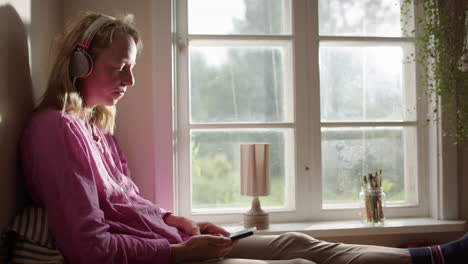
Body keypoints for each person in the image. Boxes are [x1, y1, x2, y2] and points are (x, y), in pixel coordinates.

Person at [20, 11, 468, 264]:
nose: (131, 80)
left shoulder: (95, 126)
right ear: (81, 63)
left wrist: (179, 221)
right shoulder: (55, 131)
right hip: (165, 261)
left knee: (301, 244)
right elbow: (89, 248)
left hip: (171, 242)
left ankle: (437, 258)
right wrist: (180, 253)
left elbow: (127, 203)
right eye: (120, 67)